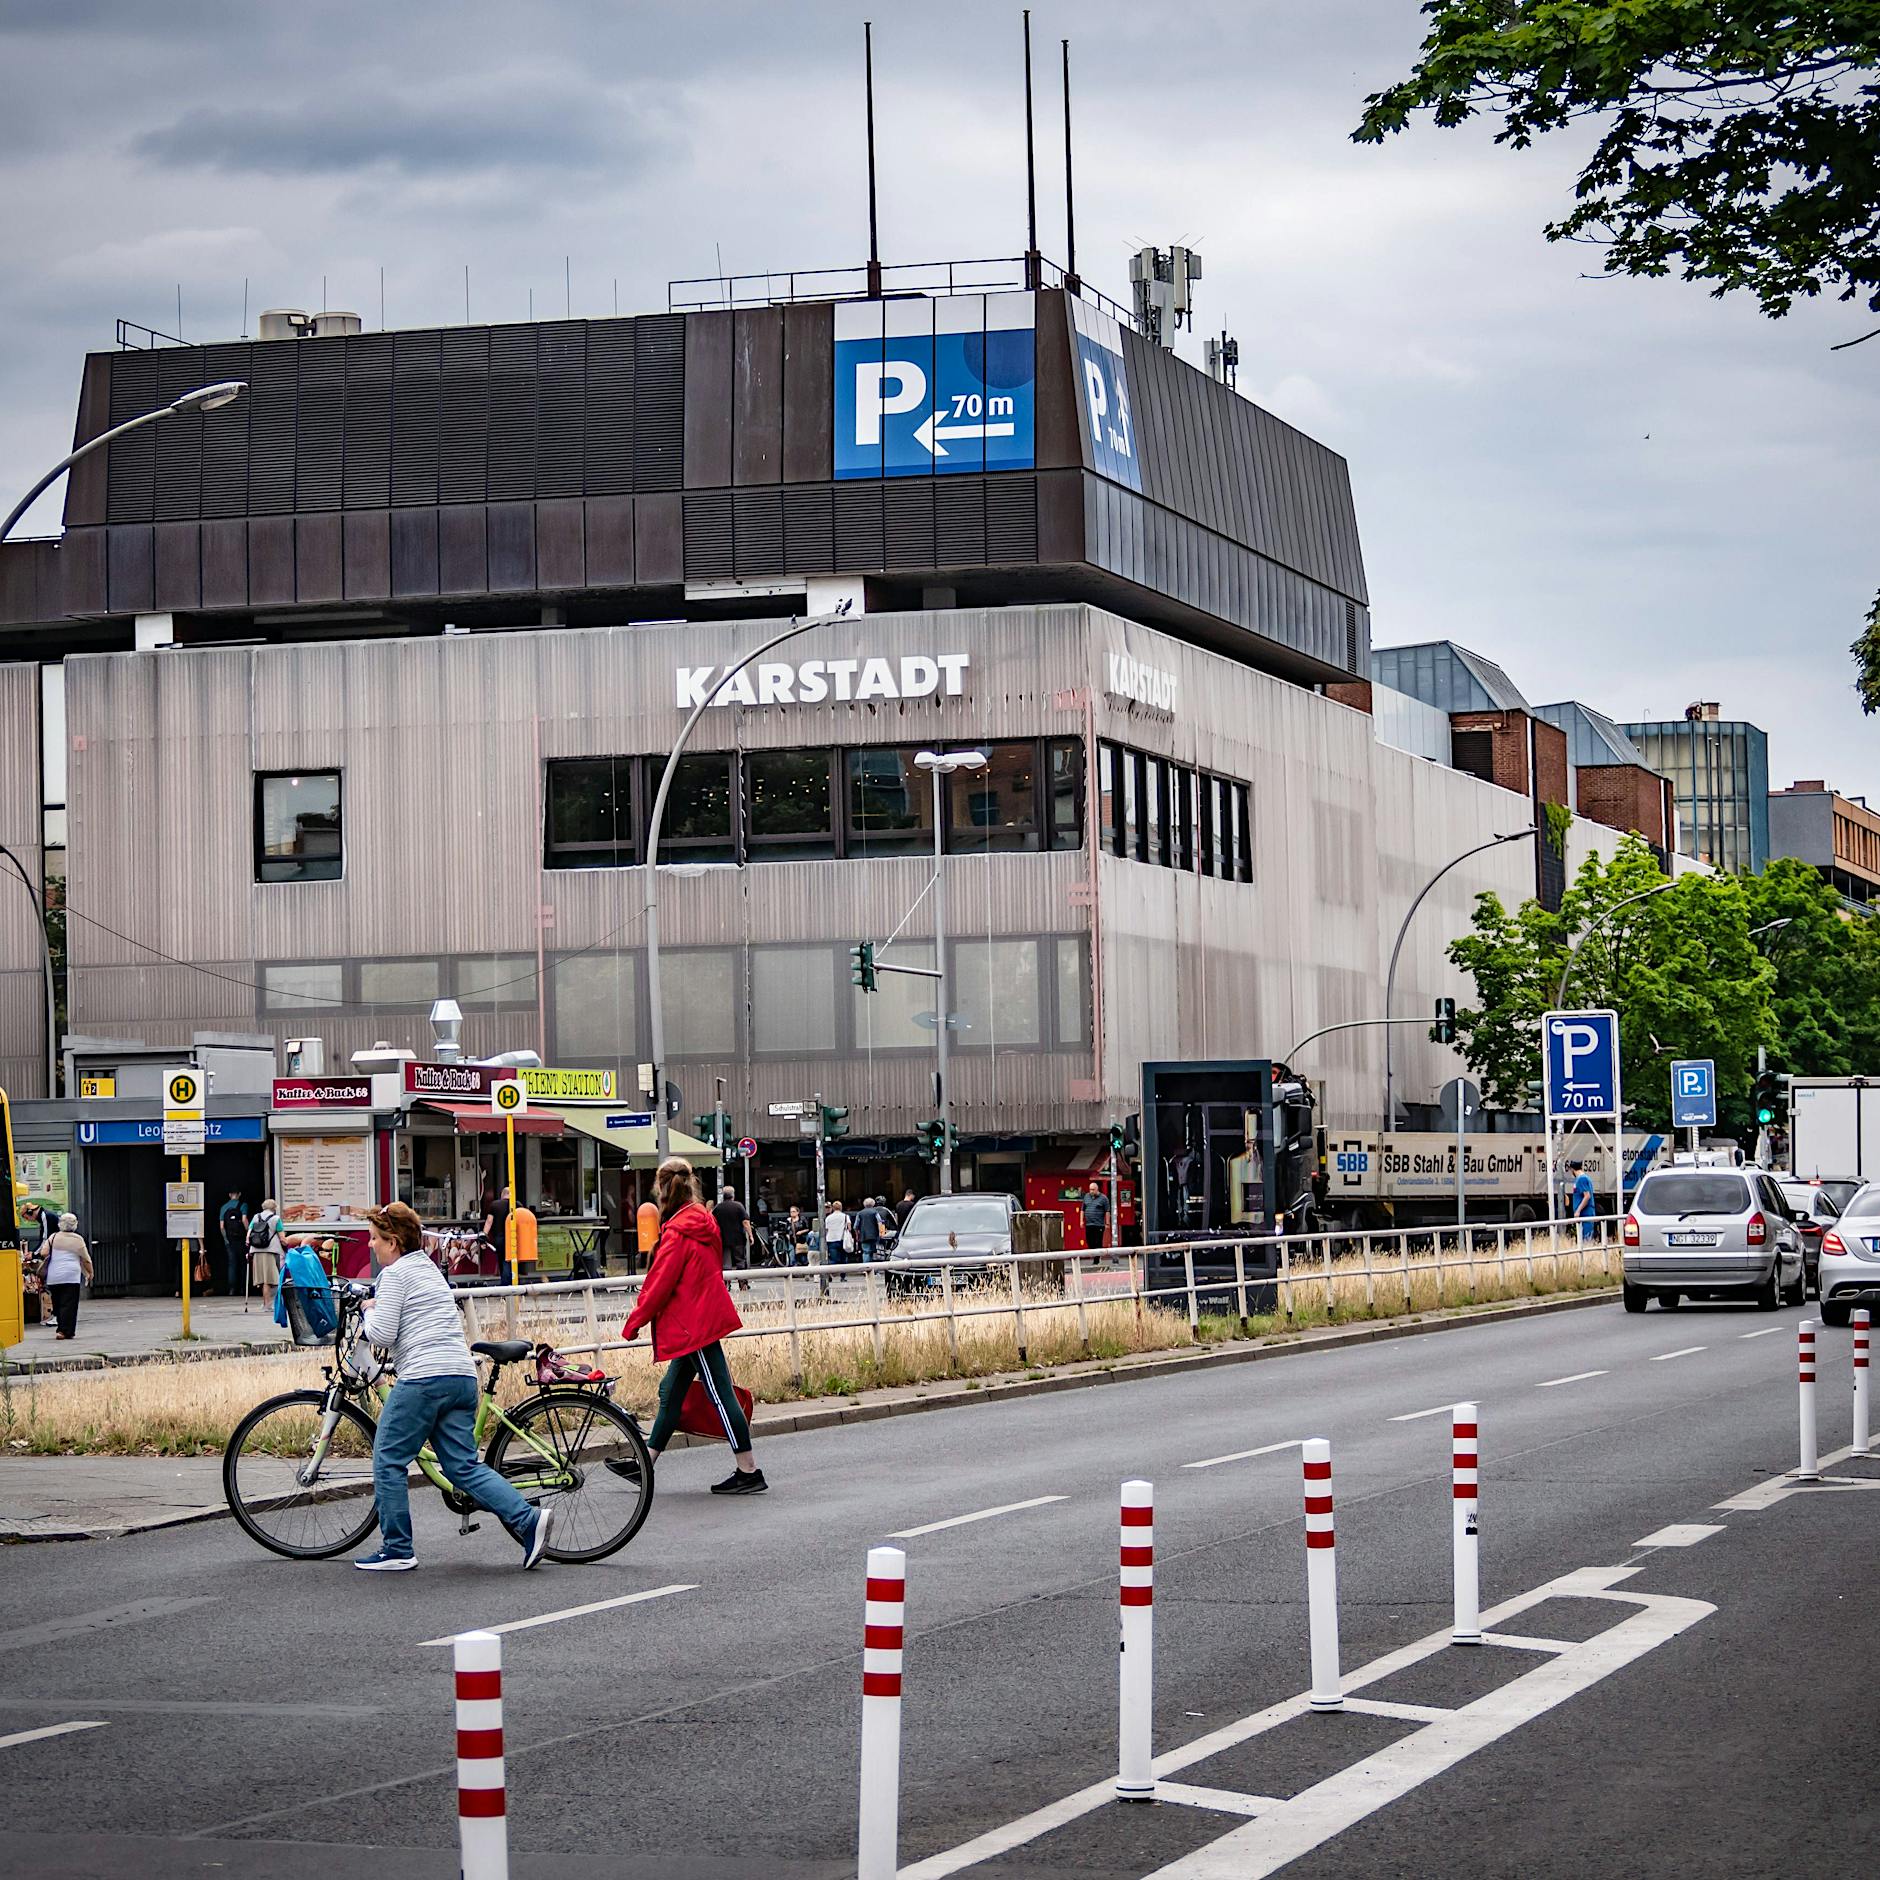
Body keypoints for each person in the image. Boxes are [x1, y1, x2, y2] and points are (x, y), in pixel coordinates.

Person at [353, 1200, 556, 1572]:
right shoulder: (428, 1270)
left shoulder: (395, 1275)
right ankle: (528, 1521)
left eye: (374, 1239)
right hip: (461, 1376)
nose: (370, 1245)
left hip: (424, 1378)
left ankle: (397, 1548)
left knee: (388, 1458)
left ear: (393, 1242)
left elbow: (381, 1334)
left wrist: (368, 1310)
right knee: (462, 1467)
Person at [613, 1158, 766, 1495]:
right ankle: (645, 1464)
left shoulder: (678, 1231)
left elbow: (660, 1282)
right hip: (698, 1317)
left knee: (720, 1393)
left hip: (692, 1323)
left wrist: (634, 1322)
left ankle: (748, 1469)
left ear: (661, 1188)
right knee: (671, 1392)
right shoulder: (701, 1220)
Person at [42, 1212, 92, 1341]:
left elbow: (44, 1252)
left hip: (54, 1276)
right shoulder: (77, 1239)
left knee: (58, 1303)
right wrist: (90, 1273)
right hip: (71, 1276)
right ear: (75, 1225)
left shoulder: (53, 1237)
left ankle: (62, 1328)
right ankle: (65, 1331)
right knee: (69, 1304)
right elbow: (86, 1260)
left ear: (60, 1224)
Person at [712, 1184, 754, 1294]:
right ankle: (743, 1284)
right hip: (738, 1239)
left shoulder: (718, 1208)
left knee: (726, 1264)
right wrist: (750, 1235)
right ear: (733, 1195)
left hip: (723, 1239)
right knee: (740, 1261)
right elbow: (745, 1222)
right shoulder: (738, 1206)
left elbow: (712, 1223)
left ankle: (726, 1285)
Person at [248, 1199, 284, 1310]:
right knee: (269, 1279)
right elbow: (282, 1237)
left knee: (263, 1279)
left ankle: (266, 1303)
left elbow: (248, 1234)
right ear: (274, 1208)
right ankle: (268, 1305)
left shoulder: (255, 1217)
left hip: (257, 1250)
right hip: (270, 1251)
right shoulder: (276, 1219)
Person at [218, 1190, 249, 1297]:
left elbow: (222, 1226)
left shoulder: (224, 1207)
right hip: (241, 1239)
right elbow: (244, 1220)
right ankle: (243, 1288)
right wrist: (248, 1234)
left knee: (232, 1264)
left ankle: (232, 1289)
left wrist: (226, 1239)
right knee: (243, 1263)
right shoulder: (243, 1205)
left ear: (229, 1194)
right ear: (239, 1194)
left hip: (230, 1240)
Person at [481, 1186, 512, 1272]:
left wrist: (484, 1236)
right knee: (511, 1261)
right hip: (513, 1237)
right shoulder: (517, 1204)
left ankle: (505, 1282)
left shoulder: (494, 1205)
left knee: (503, 1260)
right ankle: (512, 1280)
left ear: (502, 1194)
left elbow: (489, 1221)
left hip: (500, 1238)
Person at [1568, 1161, 1597, 1241]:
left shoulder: (1581, 1179)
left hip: (1585, 1214)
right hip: (1585, 1213)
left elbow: (1587, 1196)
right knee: (1585, 1238)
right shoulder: (1585, 1178)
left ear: (1572, 1169)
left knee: (1586, 1239)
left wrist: (1578, 1210)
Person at [1081, 1179, 1112, 1250]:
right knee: (1089, 1240)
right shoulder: (1086, 1196)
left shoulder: (1104, 1198)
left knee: (1098, 1241)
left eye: (1093, 1189)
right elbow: (1082, 1209)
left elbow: (1107, 1211)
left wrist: (1107, 1223)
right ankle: (1094, 1254)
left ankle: (1097, 1259)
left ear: (1097, 1189)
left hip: (1099, 1224)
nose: (1091, 1191)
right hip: (1089, 1224)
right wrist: (1081, 1221)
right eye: (1090, 1189)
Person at [855, 1196, 885, 1264]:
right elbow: (880, 1222)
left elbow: (856, 1226)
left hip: (864, 1236)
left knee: (866, 1252)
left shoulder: (859, 1213)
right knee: (875, 1252)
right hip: (874, 1235)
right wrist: (881, 1233)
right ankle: (874, 1269)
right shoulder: (875, 1212)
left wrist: (857, 1235)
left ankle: (866, 1268)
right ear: (873, 1204)